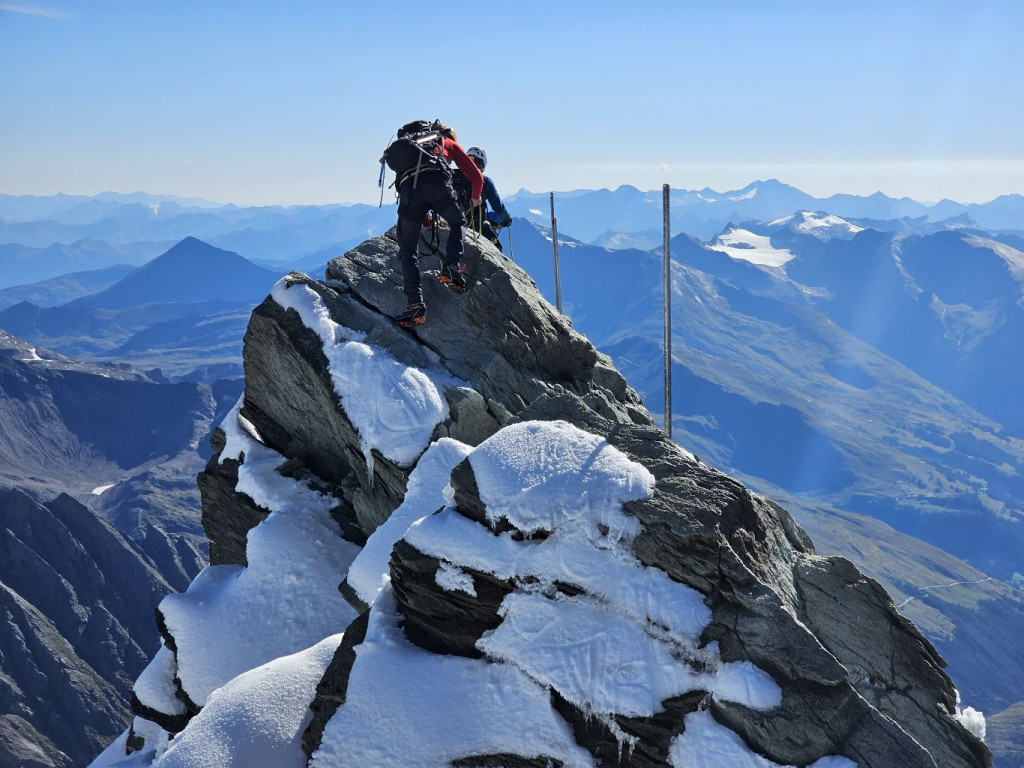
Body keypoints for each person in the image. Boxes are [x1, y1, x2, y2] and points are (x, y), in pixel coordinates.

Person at [393, 125, 483, 328]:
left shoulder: (410, 150)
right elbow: (476, 176)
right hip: (437, 185)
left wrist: (426, 221)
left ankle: (415, 305)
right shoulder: (446, 142)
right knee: (458, 221)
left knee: (408, 252)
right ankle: (451, 267)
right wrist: (476, 197)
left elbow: (414, 187)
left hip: (409, 194)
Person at [451, 146, 513, 252]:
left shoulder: (453, 176)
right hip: (475, 226)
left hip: (451, 221)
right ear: (482, 164)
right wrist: (507, 219)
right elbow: (498, 207)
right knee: (497, 247)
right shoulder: (485, 181)